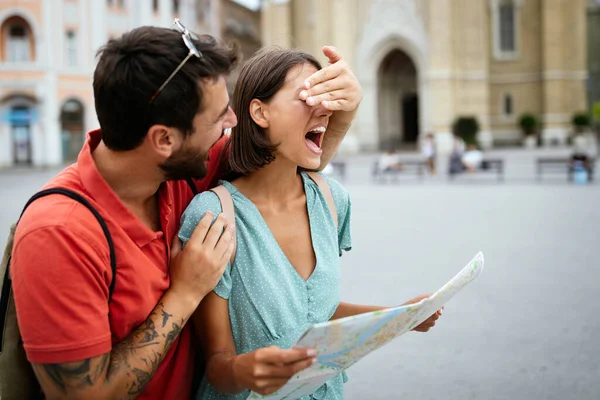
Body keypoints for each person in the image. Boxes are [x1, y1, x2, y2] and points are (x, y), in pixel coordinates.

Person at [10, 22, 351, 399]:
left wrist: (346, 105)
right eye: (219, 117)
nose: (232, 124)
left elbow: (288, 157)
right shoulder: (57, 234)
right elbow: (83, 396)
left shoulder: (182, 171)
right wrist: (185, 292)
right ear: (164, 139)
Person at [178, 48, 442, 400]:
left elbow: (315, 313)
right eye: (307, 96)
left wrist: (402, 315)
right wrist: (245, 368)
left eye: (327, 97)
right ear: (260, 112)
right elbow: (217, 366)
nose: (325, 108)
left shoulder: (332, 200)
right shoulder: (214, 217)